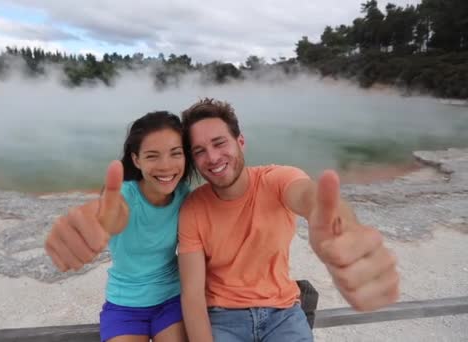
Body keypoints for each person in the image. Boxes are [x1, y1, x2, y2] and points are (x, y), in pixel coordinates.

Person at [177, 98, 400, 342]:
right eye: (199, 151)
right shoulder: (194, 208)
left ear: (241, 142)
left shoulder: (277, 179)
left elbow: (308, 196)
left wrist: (342, 228)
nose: (212, 157)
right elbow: (193, 295)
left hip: (281, 313)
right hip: (223, 317)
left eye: (220, 143)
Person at [45, 111, 193, 342]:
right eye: (152, 156)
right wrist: (97, 220)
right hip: (125, 304)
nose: (166, 166)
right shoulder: (124, 196)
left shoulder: (185, 196)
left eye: (175, 153)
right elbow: (112, 214)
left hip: (171, 298)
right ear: (136, 160)